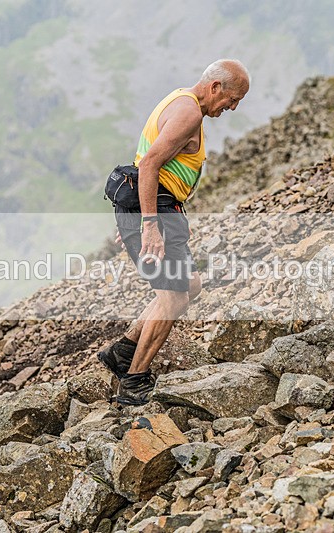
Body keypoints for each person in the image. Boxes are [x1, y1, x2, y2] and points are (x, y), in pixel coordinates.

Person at [99, 59, 250, 405]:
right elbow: (150, 163)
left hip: (159, 210)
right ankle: (134, 381)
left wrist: (134, 216)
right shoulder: (190, 114)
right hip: (158, 216)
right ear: (215, 87)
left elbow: (145, 162)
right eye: (233, 98)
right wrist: (148, 225)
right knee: (173, 297)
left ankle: (123, 350)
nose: (233, 107)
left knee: (189, 285)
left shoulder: (180, 100)